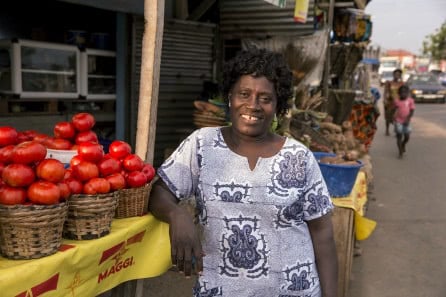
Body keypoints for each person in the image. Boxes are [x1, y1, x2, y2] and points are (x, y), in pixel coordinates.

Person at [149, 48, 338, 297]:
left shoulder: (298, 156)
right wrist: (177, 214)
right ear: (230, 97)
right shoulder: (202, 145)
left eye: (265, 98)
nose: (253, 105)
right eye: (244, 94)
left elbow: (322, 233)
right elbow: (159, 191)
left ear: (278, 105)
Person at [393, 85, 415, 158]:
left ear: (408, 93)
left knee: (407, 136)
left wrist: (408, 119)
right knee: (399, 136)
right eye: (401, 93)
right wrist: (394, 119)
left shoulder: (410, 101)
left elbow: (412, 111)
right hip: (398, 121)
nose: (403, 94)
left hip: (406, 121)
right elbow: (395, 110)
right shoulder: (396, 101)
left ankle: (403, 144)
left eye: (405, 92)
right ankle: (400, 152)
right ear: (399, 93)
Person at [383, 69, 404, 136]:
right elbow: (385, 92)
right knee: (388, 116)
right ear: (393, 75)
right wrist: (385, 99)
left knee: (397, 116)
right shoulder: (389, 83)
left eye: (399, 74)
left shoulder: (402, 83)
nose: (397, 75)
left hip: (399, 102)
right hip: (390, 102)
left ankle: (396, 129)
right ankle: (387, 129)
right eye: (396, 74)